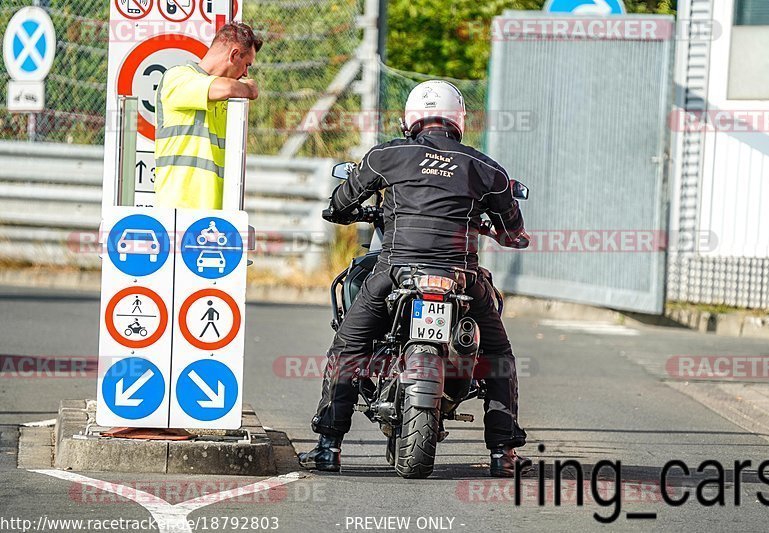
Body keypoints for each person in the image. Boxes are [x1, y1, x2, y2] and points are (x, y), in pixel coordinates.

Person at [299, 80, 532, 477]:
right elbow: (514, 232)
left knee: (348, 348)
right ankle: (502, 455)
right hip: (461, 277)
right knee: (497, 358)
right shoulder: (486, 168)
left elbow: (340, 204)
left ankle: (328, 448)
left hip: (394, 271)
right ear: (458, 120)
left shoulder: (387, 155)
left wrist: (348, 211)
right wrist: (497, 231)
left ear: (410, 118)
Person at [154, 22, 262, 210]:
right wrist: (249, 89)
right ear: (234, 54)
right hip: (179, 210)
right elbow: (225, 87)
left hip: (219, 210)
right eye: (246, 65)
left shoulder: (227, 98)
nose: (245, 73)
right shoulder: (178, 77)